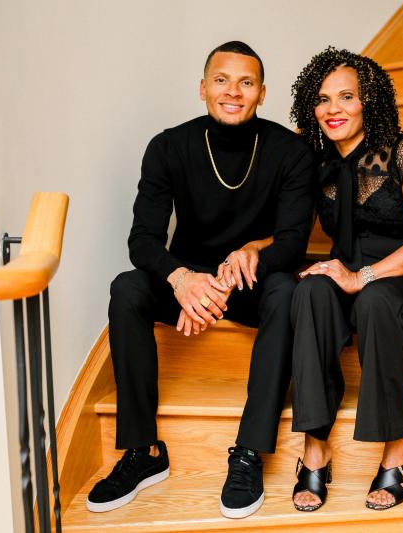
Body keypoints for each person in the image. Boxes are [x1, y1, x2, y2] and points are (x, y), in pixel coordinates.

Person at [85, 41, 316, 519]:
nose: (233, 91)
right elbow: (142, 239)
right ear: (203, 88)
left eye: (246, 83)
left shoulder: (290, 151)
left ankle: (250, 451)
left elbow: (293, 242)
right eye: (222, 80)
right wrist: (181, 278)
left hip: (251, 281)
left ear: (262, 93)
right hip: (189, 282)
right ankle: (142, 451)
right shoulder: (169, 146)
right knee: (127, 287)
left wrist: (235, 272)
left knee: (288, 289)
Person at [287, 47, 403, 512]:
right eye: (322, 99)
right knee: (311, 290)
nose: (333, 109)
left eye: (346, 97)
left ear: (368, 102)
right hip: (349, 273)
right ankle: (315, 448)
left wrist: (364, 276)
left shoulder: (402, 152)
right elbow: (283, 225)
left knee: (374, 300)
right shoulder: (315, 165)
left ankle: (398, 447)